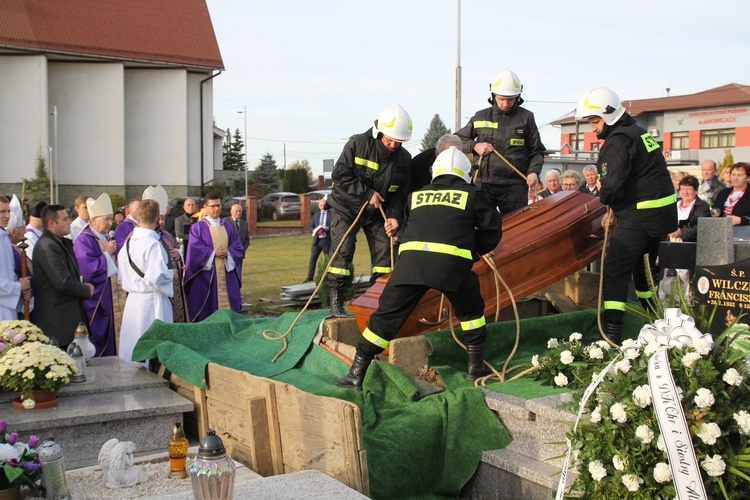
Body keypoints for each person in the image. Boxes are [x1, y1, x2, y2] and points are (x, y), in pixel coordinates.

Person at [336, 147, 503, 390]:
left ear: (435, 172)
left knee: (385, 319)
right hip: (451, 268)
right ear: (466, 173)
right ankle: (474, 366)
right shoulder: (472, 194)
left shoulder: (417, 195)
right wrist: (471, 250)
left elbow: (408, 227)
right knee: (472, 312)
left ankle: (356, 373)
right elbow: (492, 231)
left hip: (409, 267)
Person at [575, 87, 676, 344]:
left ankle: (611, 334)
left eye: (595, 120)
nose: (593, 128)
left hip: (639, 216)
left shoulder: (618, 140)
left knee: (615, 271)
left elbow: (612, 186)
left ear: (608, 115)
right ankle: (658, 325)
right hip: (658, 217)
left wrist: (608, 207)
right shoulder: (639, 133)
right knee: (645, 273)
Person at [326, 104, 413, 316]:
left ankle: (377, 300)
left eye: (398, 142)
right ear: (379, 132)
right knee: (343, 252)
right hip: (346, 209)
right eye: (389, 140)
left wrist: (393, 217)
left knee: (385, 255)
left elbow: (399, 195)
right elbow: (340, 176)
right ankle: (336, 301)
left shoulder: (404, 160)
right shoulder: (357, 144)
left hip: (377, 214)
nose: (393, 145)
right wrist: (367, 193)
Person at [456, 69, 545, 213]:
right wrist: (475, 145)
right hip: (483, 184)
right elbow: (457, 140)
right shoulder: (480, 117)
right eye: (501, 99)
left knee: (516, 227)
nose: (505, 103)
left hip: (515, 186)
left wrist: (533, 172)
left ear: (518, 97)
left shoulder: (526, 118)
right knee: (481, 226)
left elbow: (538, 151)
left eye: (510, 99)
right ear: (493, 95)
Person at [117, 199, 173, 365]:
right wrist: (172, 275)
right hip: (151, 301)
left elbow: (121, 273)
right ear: (158, 219)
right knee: (151, 344)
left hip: (133, 301)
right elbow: (158, 277)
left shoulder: (127, 243)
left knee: (133, 341)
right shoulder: (153, 244)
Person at [31, 204, 93, 348]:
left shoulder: (58, 243)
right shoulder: (48, 246)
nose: (69, 222)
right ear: (52, 223)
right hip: (57, 320)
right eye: (65, 219)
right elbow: (63, 282)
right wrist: (85, 290)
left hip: (65, 317)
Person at [184, 192, 244, 321]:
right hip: (207, 276)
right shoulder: (197, 228)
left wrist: (228, 252)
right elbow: (195, 249)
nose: (216, 209)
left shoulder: (228, 226)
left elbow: (238, 247)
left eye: (218, 205)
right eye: (212, 206)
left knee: (230, 309)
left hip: (227, 275)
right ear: (205, 207)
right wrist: (213, 253)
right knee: (208, 309)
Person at [73, 193, 118, 356]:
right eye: (106, 219)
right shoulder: (83, 240)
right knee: (98, 335)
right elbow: (87, 270)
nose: (110, 223)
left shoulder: (105, 237)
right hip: (96, 298)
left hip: (111, 295)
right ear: (93, 221)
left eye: (111, 219)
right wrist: (107, 254)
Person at [0, 196, 31, 320]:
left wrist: (21, 290)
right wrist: (18, 287)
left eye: (8, 211)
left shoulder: (4, 237)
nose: (7, 216)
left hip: (7, 304)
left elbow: (9, 273)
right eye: (2, 212)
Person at [669, 175, 711, 242]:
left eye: (689, 189)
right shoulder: (674, 204)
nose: (685, 192)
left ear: (696, 190)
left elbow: (704, 227)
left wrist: (682, 232)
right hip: (669, 243)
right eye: (683, 189)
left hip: (691, 245)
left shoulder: (702, 206)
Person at [305, 197, 331, 282]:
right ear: (318, 205)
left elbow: (334, 226)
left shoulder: (331, 214)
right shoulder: (316, 214)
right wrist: (314, 231)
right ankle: (309, 277)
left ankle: (327, 276)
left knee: (328, 258)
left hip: (326, 240)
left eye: (324, 205)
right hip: (317, 241)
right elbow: (311, 226)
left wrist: (328, 228)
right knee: (313, 258)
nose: (322, 207)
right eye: (321, 205)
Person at [223, 204, 249, 278]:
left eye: (240, 211)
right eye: (236, 211)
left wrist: (241, 250)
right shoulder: (225, 222)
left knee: (238, 274)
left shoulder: (244, 224)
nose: (238, 213)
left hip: (239, 255)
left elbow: (247, 240)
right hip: (228, 254)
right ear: (231, 212)